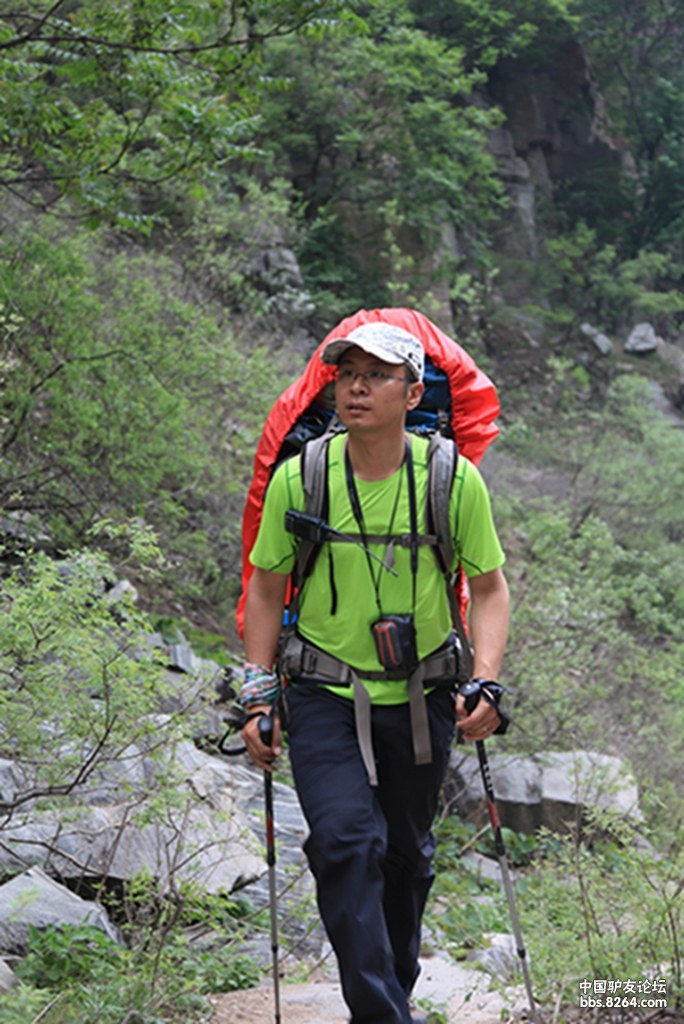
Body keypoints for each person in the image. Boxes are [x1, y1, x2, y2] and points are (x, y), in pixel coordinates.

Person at [239, 322, 509, 1024]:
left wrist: (485, 679)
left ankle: (393, 990)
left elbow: (489, 589)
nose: (356, 385)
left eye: (377, 374)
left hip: (423, 696)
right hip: (324, 690)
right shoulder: (304, 475)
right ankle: (383, 1015)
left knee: (407, 858)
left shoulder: (452, 479)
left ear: (413, 391)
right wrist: (256, 693)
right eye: (346, 372)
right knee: (343, 839)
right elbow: (266, 588)